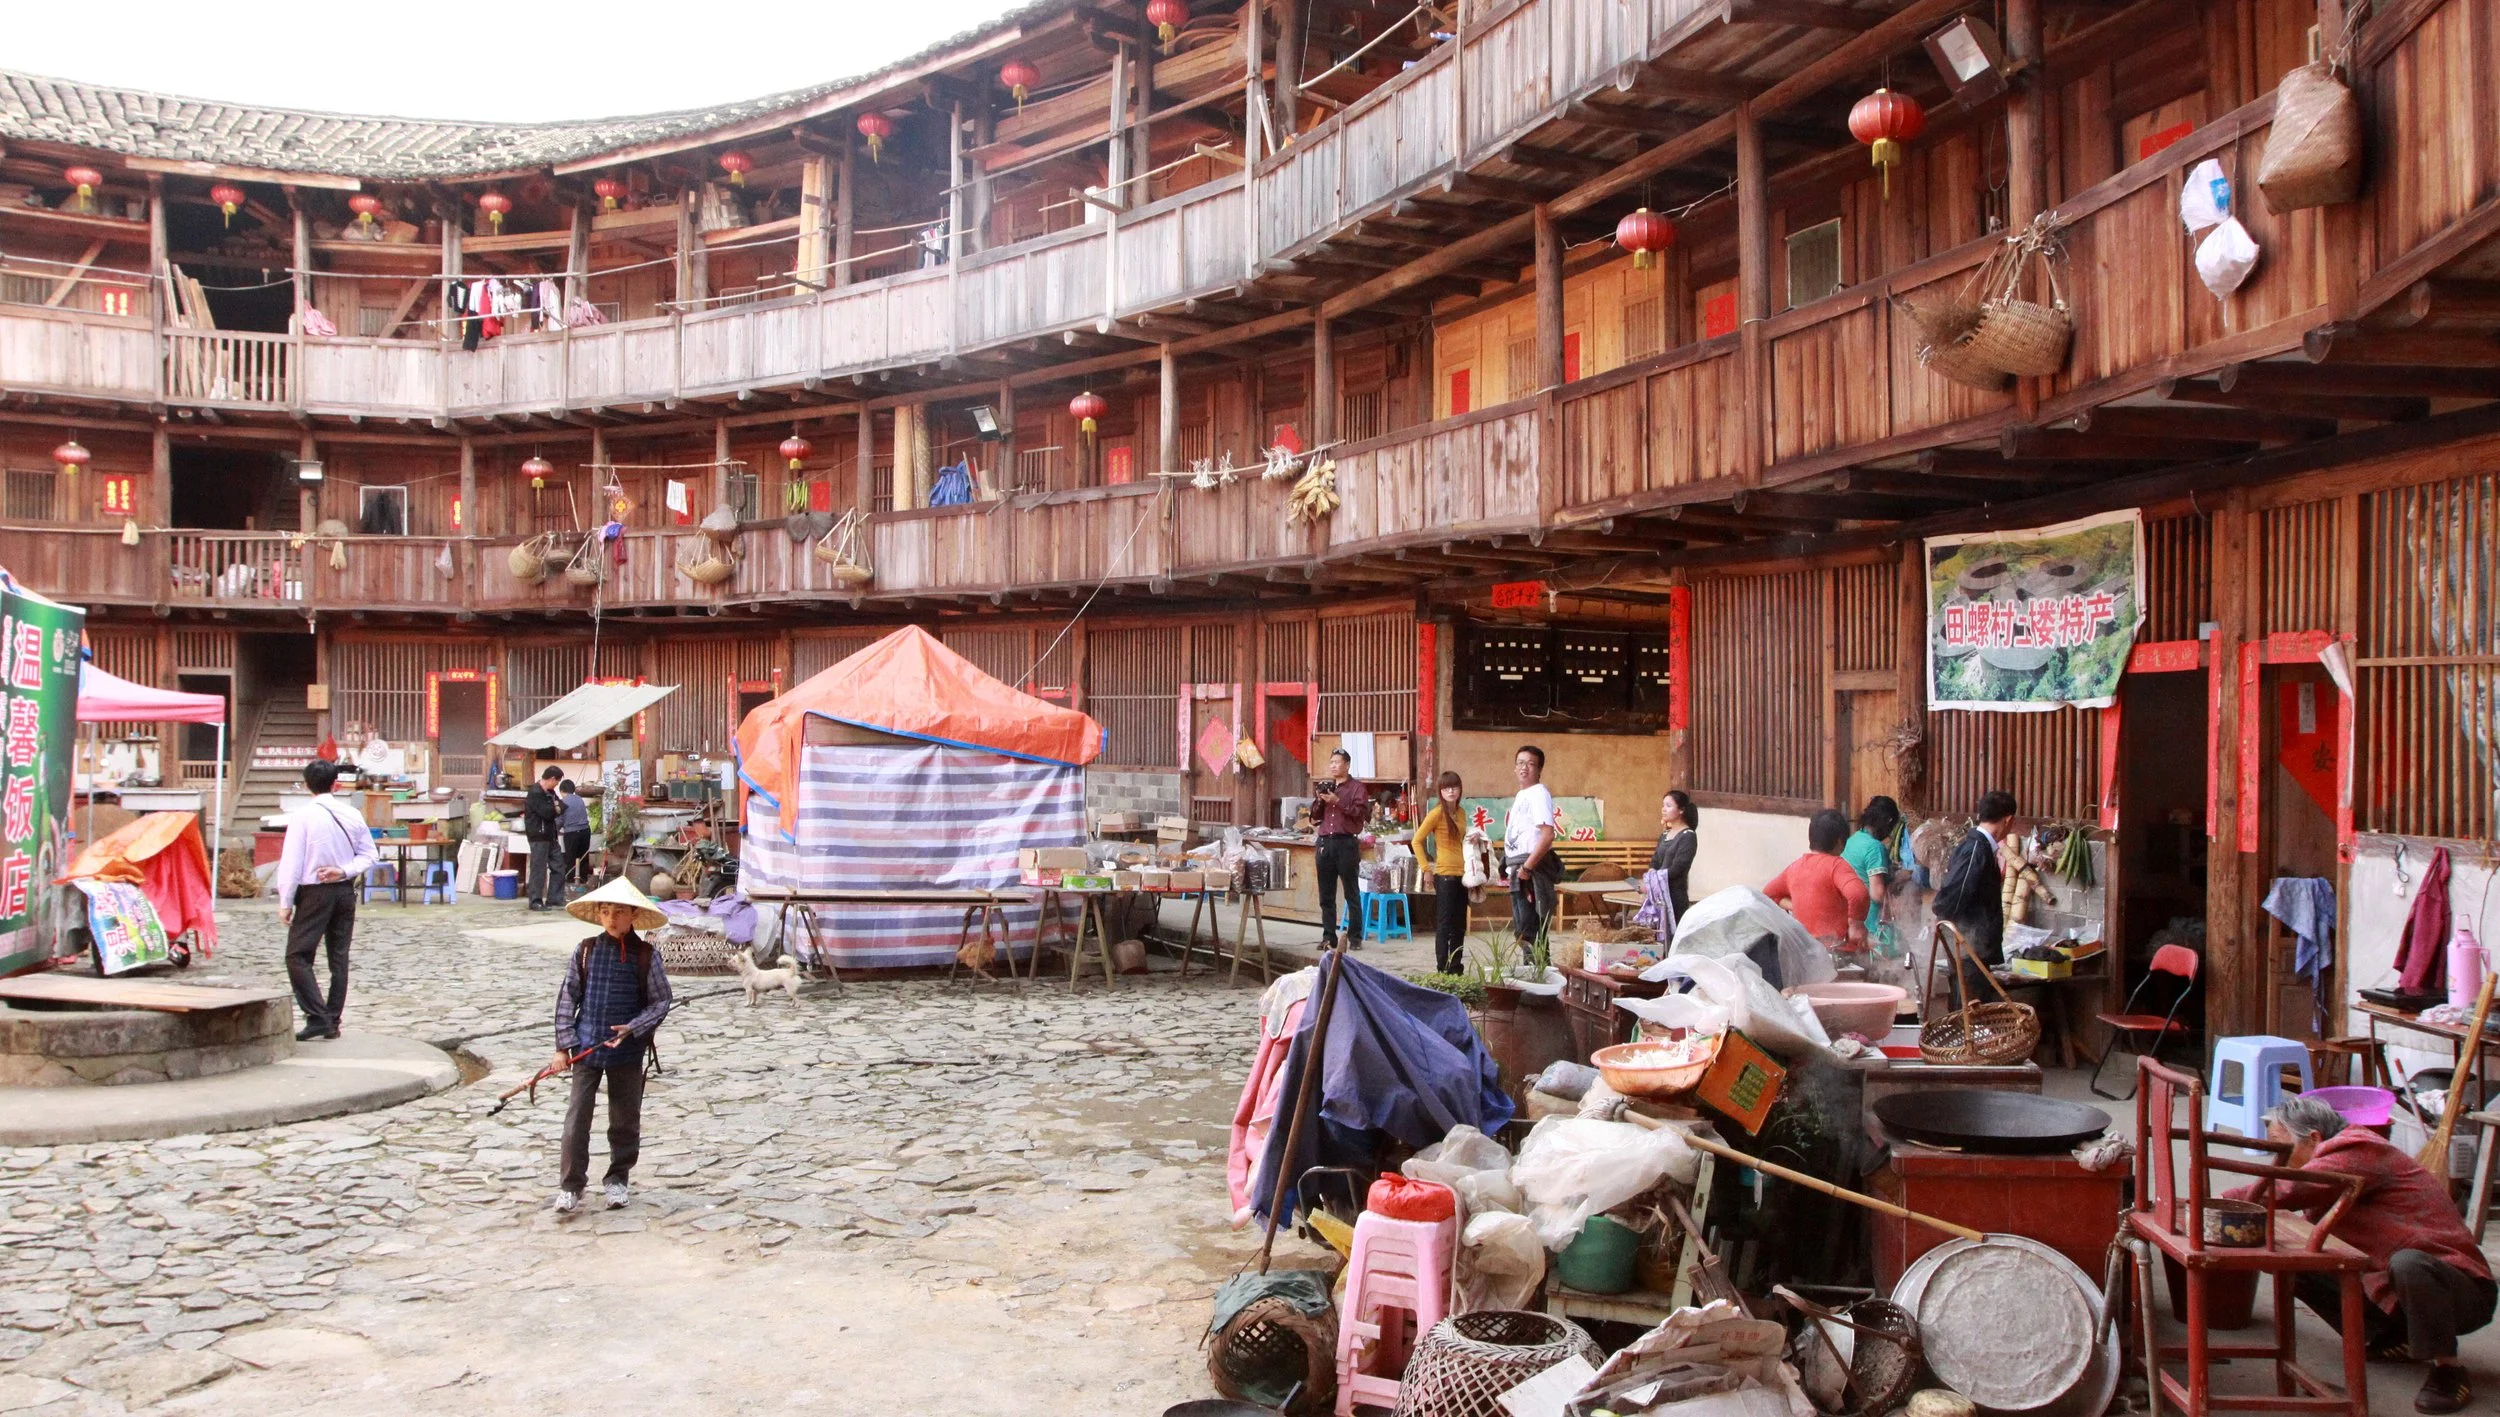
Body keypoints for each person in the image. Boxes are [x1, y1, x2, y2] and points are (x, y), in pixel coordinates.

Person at [2231, 1095, 2493, 1413]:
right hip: (2400, 1287)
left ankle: (2448, 1369)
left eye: (2284, 1149)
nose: (2283, 1161)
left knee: (2409, 1263)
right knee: (2293, 1261)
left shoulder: (2357, 1149)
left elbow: (2290, 1189)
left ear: (2313, 1138)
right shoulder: (2334, 1156)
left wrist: (2217, 1200)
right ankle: (2386, 1338)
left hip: (2459, 1289)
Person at [549, 878, 675, 1215]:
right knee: (577, 1119)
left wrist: (633, 1027)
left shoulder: (646, 955)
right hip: (586, 1047)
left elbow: (661, 1002)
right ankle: (571, 1185)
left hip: (628, 1052)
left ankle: (618, 1179)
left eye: (618, 912)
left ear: (632, 915)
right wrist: (563, 1047)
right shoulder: (586, 950)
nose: (611, 918)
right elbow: (567, 999)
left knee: (624, 1119)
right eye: (605, 912)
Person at [274, 759, 377, 1042]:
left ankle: (318, 1017)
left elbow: (292, 862)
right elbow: (370, 855)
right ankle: (332, 1018)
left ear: (307, 785)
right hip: (344, 889)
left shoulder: (303, 816)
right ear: (336, 783)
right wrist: (343, 870)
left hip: (315, 891)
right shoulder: (352, 814)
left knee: (297, 955)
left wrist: (285, 900)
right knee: (338, 958)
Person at [1931, 790, 2016, 996]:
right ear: (2008, 820)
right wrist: (1953, 932)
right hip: (1969, 950)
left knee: (1972, 1013)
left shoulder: (1981, 847)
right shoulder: (1976, 849)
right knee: (1969, 1013)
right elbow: (1953, 894)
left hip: (1973, 947)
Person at [1763, 808, 1870, 950]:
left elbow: (1768, 894)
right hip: (1839, 955)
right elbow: (1858, 894)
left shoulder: (1795, 867)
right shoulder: (1836, 866)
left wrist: (1797, 904)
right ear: (1840, 841)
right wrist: (1856, 925)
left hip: (1806, 954)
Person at [1410, 771, 1471, 973]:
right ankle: (1442, 968)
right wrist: (1426, 868)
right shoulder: (1437, 813)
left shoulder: (1461, 813)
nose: (1451, 791)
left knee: (1459, 925)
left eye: (1454, 787)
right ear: (1441, 792)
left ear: (1460, 789)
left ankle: (1456, 967)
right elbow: (1417, 840)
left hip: (1463, 875)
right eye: (1446, 788)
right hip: (1444, 875)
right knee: (1445, 924)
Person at [1504, 746, 1562, 949]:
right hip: (1518, 870)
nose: (1524, 768)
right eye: (1520, 762)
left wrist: (1527, 868)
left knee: (1531, 933)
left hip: (1530, 872)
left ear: (1539, 770)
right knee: (1525, 934)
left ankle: (1539, 976)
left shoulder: (1539, 793)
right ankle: (1534, 976)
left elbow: (1547, 836)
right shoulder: (1523, 795)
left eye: (1530, 764)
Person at [1312, 748, 1370, 952]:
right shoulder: (1326, 786)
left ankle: (1355, 937)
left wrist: (1339, 802)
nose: (1334, 765)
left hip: (1346, 843)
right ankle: (1329, 937)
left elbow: (1360, 814)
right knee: (1326, 895)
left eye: (1338, 762)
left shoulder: (1357, 788)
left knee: (1351, 892)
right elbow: (1315, 816)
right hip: (1325, 842)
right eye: (1331, 762)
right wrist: (1320, 800)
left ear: (1347, 765)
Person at [1841, 795, 1901, 954]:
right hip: (1869, 922)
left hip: (1848, 918)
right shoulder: (1875, 848)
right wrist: (1899, 879)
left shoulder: (1853, 840)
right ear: (1888, 822)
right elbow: (1877, 893)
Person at [1648, 790, 1699, 926]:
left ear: (1681, 810)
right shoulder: (1664, 835)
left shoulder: (1688, 836)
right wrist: (1651, 873)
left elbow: (1678, 867)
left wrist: (1655, 879)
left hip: (1674, 895)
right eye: (1663, 805)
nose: (1664, 809)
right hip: (1658, 895)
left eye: (1668, 806)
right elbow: (1655, 860)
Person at [523, 765, 564, 911]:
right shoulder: (535, 792)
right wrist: (555, 808)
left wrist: (556, 808)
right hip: (538, 836)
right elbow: (547, 813)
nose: (557, 785)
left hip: (551, 835)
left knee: (558, 866)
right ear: (552, 779)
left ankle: (555, 898)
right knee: (538, 869)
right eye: (557, 782)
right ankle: (535, 901)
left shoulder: (551, 792)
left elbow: (562, 806)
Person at [558, 778, 592, 895]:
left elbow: (560, 819)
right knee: (583, 858)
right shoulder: (580, 800)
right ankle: (583, 883)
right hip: (585, 831)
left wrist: (553, 830)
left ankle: (570, 885)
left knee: (570, 859)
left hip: (572, 833)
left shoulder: (564, 801)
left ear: (562, 791)